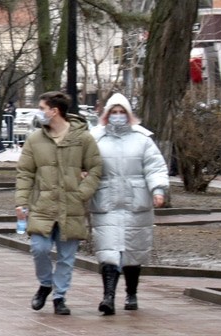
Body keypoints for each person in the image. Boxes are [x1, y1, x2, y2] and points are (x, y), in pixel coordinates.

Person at [15, 91, 102, 315]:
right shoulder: (35, 139)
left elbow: (95, 168)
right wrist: (21, 202)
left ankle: (59, 297)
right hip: (43, 206)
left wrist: (81, 193)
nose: (39, 112)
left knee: (66, 257)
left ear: (55, 111)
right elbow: (25, 173)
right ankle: (45, 284)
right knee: (39, 249)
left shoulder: (82, 138)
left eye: (42, 108)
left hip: (71, 207)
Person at [89, 93, 169, 315]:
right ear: (106, 115)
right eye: (113, 112)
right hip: (107, 203)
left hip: (136, 203)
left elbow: (155, 167)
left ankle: (131, 293)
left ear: (129, 114)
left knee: (133, 251)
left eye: (121, 112)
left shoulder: (143, 139)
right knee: (109, 251)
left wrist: (158, 189)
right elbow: (85, 165)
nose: (117, 116)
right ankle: (108, 297)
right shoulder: (95, 139)